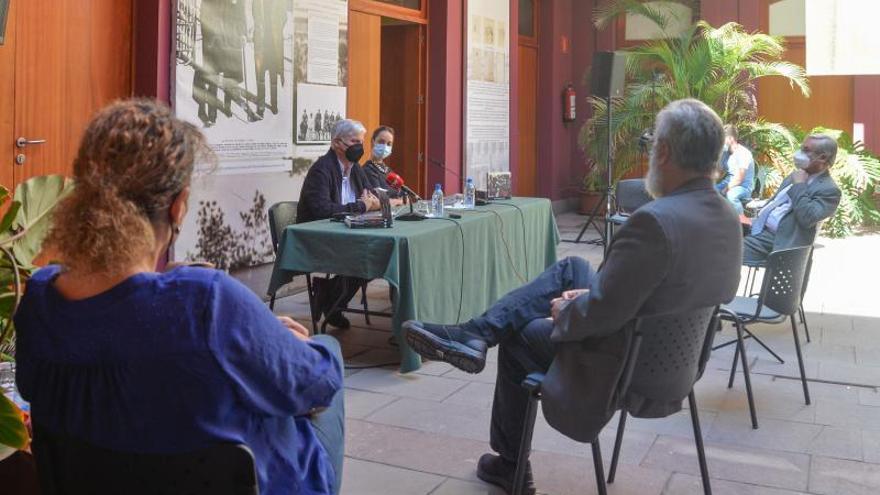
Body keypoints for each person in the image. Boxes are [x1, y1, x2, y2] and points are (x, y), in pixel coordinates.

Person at [403, 99, 743, 495]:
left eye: (653, 145)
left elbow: (600, 315)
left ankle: (510, 464)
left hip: (623, 366)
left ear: (664, 152)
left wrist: (568, 309)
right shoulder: (725, 217)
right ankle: (475, 334)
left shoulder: (655, 221)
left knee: (522, 334)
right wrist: (595, 295)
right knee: (572, 268)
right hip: (677, 364)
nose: (651, 152)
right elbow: (697, 292)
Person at [14, 100, 346, 495]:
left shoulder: (39, 302)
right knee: (327, 352)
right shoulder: (205, 303)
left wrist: (254, 332)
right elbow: (317, 385)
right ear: (178, 204)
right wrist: (273, 340)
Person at [297, 119, 380, 329]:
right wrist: (360, 206)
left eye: (361, 141)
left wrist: (376, 202)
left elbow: (370, 197)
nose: (359, 147)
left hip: (348, 233)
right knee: (367, 255)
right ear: (336, 143)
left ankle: (331, 297)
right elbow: (322, 210)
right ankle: (334, 300)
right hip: (318, 237)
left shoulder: (356, 169)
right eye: (354, 141)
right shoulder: (321, 170)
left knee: (378, 254)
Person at [743, 134, 842, 264]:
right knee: (715, 233)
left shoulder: (830, 190)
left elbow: (807, 217)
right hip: (758, 228)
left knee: (722, 251)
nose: (799, 154)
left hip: (778, 241)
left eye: (806, 150)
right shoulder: (796, 175)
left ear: (822, 158)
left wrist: (799, 185)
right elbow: (776, 202)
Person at [715, 125, 755, 214]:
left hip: (743, 187)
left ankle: (741, 222)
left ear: (730, 139)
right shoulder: (725, 153)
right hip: (727, 183)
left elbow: (739, 179)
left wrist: (725, 190)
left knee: (731, 195)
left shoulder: (743, 153)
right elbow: (719, 172)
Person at [362, 126, 405, 204]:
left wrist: (399, 200)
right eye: (381, 142)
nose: (385, 146)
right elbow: (378, 200)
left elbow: (403, 195)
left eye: (389, 144)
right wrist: (399, 201)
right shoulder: (368, 169)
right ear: (373, 141)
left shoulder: (388, 170)